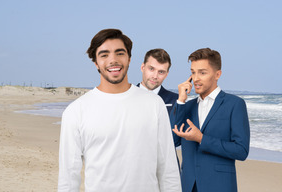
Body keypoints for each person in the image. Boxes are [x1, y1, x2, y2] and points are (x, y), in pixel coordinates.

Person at [58, 29, 181, 192]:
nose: (113, 60)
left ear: (129, 59)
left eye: (119, 53)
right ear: (96, 62)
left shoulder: (154, 104)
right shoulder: (75, 112)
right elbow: (68, 177)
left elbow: (168, 169)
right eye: (104, 55)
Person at [170, 48, 250, 192]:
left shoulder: (235, 104)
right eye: (193, 72)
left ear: (217, 74)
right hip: (188, 186)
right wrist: (180, 101)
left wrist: (201, 139)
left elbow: (241, 150)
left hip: (219, 185)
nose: (195, 78)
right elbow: (172, 141)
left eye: (202, 72)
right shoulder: (186, 106)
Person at [137, 48, 178, 115]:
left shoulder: (177, 101)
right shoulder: (125, 97)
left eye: (161, 72)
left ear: (166, 75)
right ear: (142, 67)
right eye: (151, 69)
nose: (155, 76)